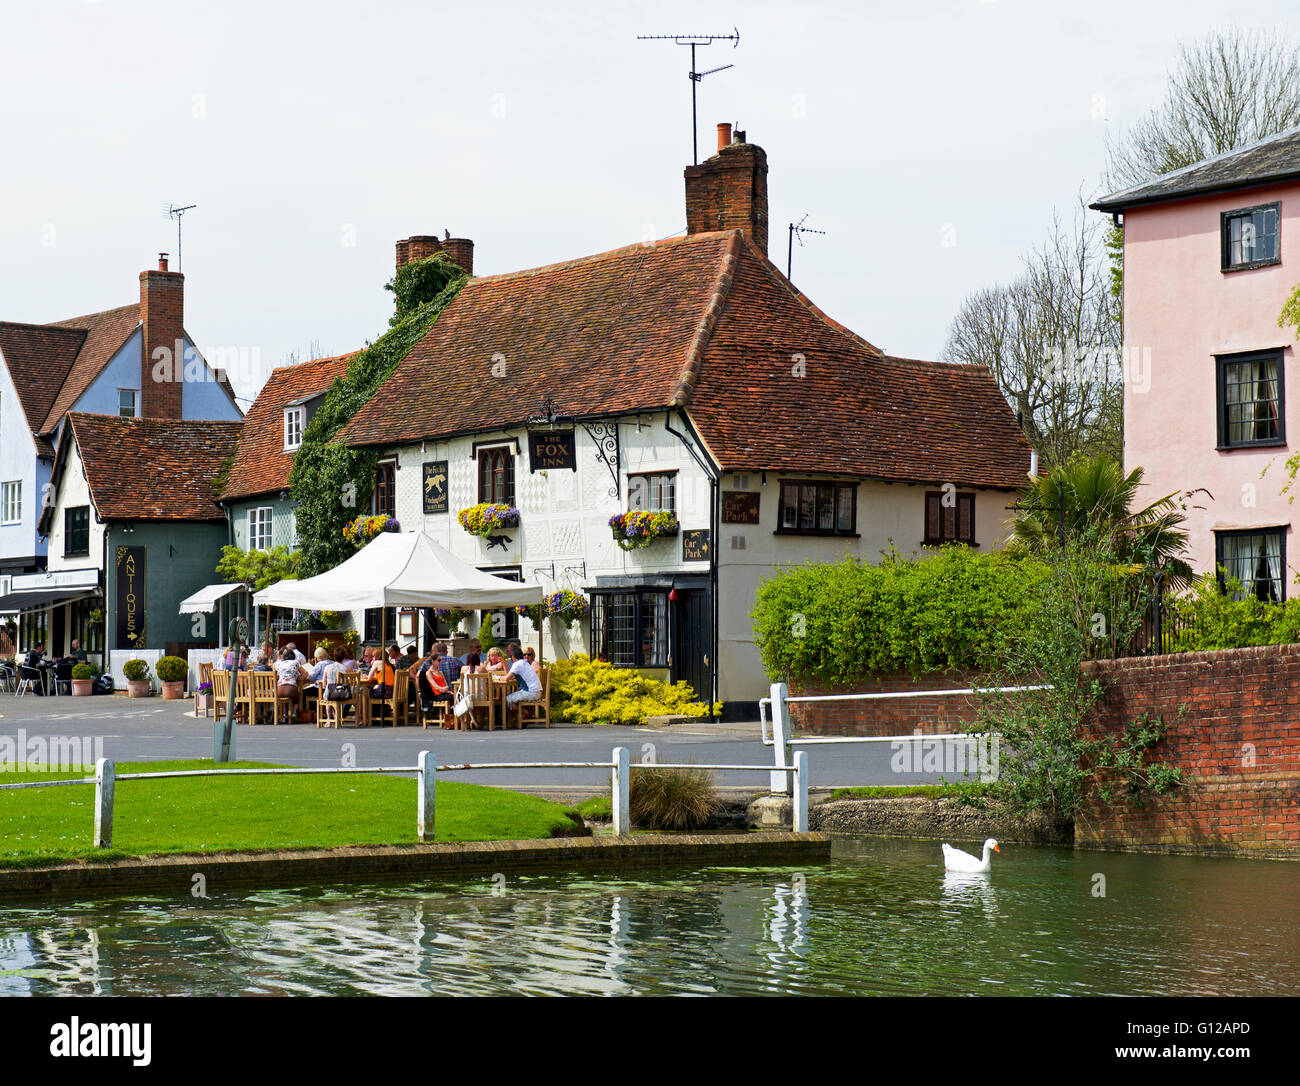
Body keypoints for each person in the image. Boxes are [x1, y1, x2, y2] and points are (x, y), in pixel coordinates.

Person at [504, 643, 542, 723]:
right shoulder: (525, 663)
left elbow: (506, 679)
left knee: (506, 700)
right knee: (513, 695)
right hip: (537, 691)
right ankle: (519, 720)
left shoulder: (517, 664)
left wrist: (500, 678)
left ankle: (525, 713)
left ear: (513, 657)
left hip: (531, 693)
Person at [274, 647, 308, 723]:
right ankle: (293, 713)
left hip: (279, 689)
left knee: (284, 699)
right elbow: (305, 674)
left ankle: (284, 715)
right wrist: (300, 678)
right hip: (291, 688)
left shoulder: (279, 664)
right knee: (296, 699)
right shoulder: (296, 662)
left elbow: (275, 675)